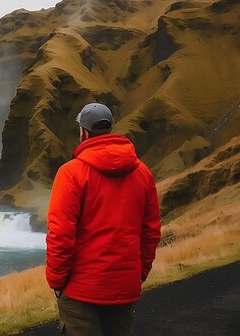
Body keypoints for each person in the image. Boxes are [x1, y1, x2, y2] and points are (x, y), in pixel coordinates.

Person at [46, 103, 161, 336]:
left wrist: (57, 282)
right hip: (125, 287)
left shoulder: (71, 173)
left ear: (84, 132)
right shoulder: (143, 173)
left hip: (81, 290)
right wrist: (140, 273)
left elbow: (60, 234)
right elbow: (151, 231)